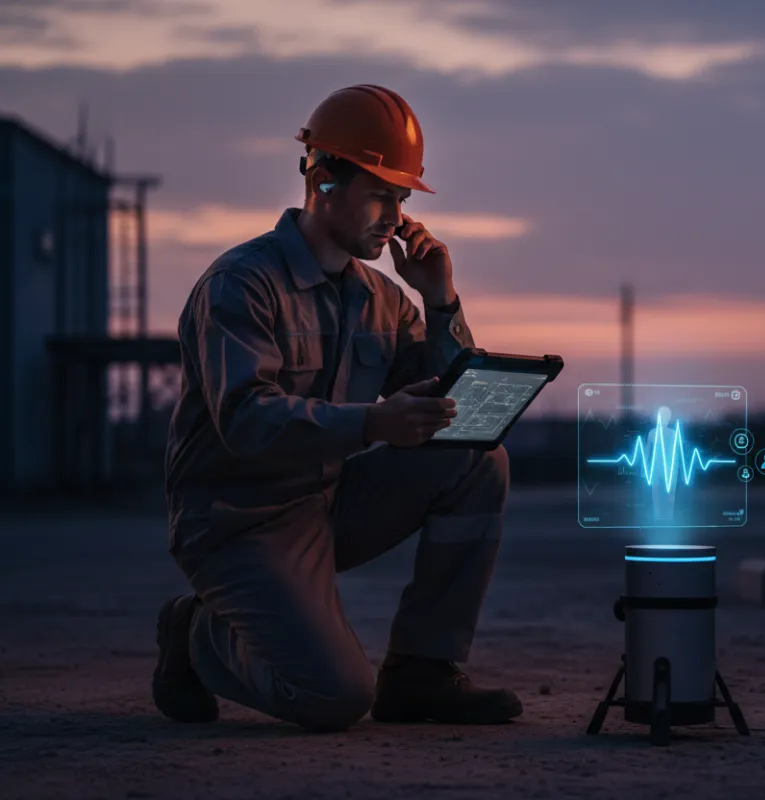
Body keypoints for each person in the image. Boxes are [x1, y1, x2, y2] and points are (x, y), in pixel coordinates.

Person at [152, 85, 522, 732]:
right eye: (380, 194)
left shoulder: (382, 298)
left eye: (401, 199)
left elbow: (451, 400)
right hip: (238, 522)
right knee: (334, 698)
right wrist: (374, 423)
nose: (394, 216)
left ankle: (421, 672)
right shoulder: (240, 287)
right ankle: (195, 635)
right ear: (322, 182)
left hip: (327, 502)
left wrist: (440, 302)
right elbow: (245, 422)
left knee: (477, 457)